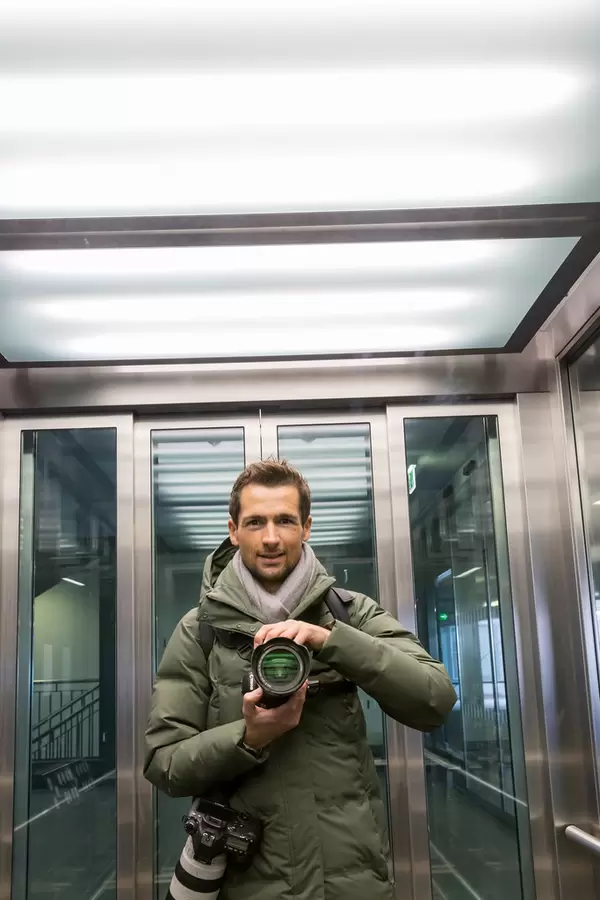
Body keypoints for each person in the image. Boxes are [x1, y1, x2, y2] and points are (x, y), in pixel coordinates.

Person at [144, 460, 456, 900]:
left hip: (352, 880)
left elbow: (435, 699)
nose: (271, 538)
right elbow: (164, 763)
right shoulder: (201, 630)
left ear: (306, 527)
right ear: (234, 530)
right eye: (255, 522)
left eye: (285, 520)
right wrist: (248, 737)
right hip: (250, 879)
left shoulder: (350, 613)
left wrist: (332, 642)